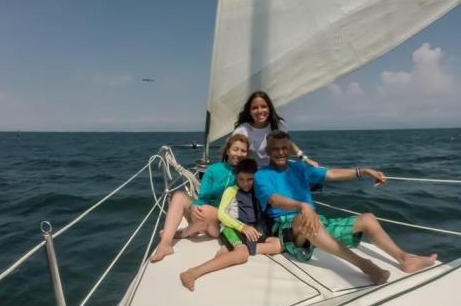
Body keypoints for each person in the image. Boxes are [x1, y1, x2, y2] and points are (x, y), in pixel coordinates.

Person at [254, 130, 437, 284]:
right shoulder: (261, 175)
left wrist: (363, 171)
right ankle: (365, 265)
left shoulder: (299, 168)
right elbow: (273, 199)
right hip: (288, 231)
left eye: (284, 148)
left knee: (368, 219)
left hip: (316, 222)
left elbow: (332, 173)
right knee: (306, 218)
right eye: (275, 149)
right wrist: (302, 206)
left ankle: (405, 259)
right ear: (268, 151)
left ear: (289, 150)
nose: (280, 152)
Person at [179, 158, 282, 291]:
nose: (245, 183)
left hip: (251, 230)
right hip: (231, 228)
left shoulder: (258, 192)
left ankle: (230, 250)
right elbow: (221, 215)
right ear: (236, 177)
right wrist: (242, 227)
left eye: (250, 179)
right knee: (242, 254)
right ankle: (193, 272)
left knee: (278, 244)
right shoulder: (231, 191)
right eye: (241, 179)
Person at [150, 134, 249, 263]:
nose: (239, 153)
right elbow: (203, 196)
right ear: (228, 150)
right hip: (206, 212)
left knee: (205, 211)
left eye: (243, 150)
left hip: (223, 221)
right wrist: (193, 206)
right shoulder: (213, 169)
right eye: (235, 149)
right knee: (179, 196)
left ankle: (184, 232)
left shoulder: (246, 174)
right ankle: (165, 244)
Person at [233, 91, 319, 168]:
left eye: (263, 106)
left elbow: (289, 144)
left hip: (275, 170)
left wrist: (306, 160)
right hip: (251, 174)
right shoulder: (242, 130)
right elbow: (233, 153)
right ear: (249, 111)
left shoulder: (278, 125)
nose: (260, 111)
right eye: (255, 108)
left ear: (269, 108)